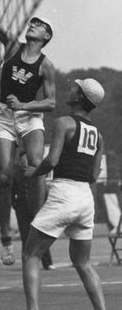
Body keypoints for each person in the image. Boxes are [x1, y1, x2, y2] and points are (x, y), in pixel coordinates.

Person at [0, 1, 56, 265]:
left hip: (30, 115)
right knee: (4, 178)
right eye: (32, 22)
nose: (33, 25)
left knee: (35, 166)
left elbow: (51, 102)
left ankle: (38, 225)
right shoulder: (13, 47)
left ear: (46, 36)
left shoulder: (46, 65)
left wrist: (23, 105)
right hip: (5, 116)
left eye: (39, 24)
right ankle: (6, 239)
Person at [23, 78, 106, 310]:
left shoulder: (63, 123)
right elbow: (93, 176)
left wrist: (33, 172)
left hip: (64, 193)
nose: (70, 90)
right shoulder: (98, 136)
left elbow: (51, 161)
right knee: (83, 263)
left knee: (30, 255)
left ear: (79, 97)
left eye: (74, 88)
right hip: (85, 200)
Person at [11, 150, 53, 270]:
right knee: (25, 237)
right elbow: (12, 193)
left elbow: (44, 191)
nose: (24, 161)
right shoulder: (16, 175)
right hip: (22, 211)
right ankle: (27, 263)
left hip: (36, 208)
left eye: (26, 159)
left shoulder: (36, 172)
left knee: (40, 236)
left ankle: (47, 263)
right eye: (22, 159)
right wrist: (16, 206)